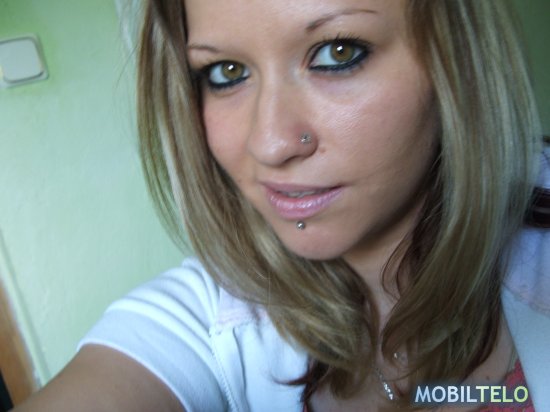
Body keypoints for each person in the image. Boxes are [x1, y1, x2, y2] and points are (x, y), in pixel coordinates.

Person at [13, 0, 550, 411]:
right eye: (226, 72)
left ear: (457, 59)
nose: (268, 143)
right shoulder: (203, 319)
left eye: (338, 53)